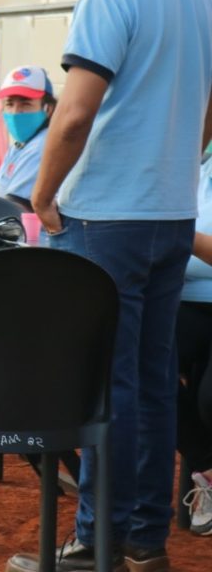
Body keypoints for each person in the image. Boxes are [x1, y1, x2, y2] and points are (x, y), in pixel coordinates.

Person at [7, 0, 212, 572]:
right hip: (171, 216)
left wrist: (42, 195)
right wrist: (174, 164)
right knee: (154, 383)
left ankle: (95, 540)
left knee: (106, 384)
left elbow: (72, 116)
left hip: (104, 220)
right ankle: (143, 541)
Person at [178, 158, 212, 537]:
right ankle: (208, 468)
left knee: (209, 401)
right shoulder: (192, 163)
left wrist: (174, 232)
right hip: (182, 299)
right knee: (133, 364)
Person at [0, 66, 55, 209]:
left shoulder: (40, 147)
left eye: (25, 104)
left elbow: (15, 208)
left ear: (48, 109)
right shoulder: (21, 145)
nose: (15, 112)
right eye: (9, 104)